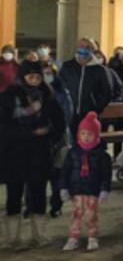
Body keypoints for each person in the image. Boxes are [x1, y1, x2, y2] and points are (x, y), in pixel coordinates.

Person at [1, 60, 66, 241]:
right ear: (23, 76)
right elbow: (4, 126)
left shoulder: (47, 95)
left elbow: (59, 122)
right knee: (14, 193)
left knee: (38, 191)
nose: (35, 80)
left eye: (38, 77)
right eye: (31, 76)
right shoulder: (8, 96)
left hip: (40, 152)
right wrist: (30, 132)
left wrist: (50, 138)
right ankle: (13, 237)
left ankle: (38, 235)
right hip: (14, 152)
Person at [58, 111, 111, 251]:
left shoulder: (102, 156)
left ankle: (92, 237)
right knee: (76, 213)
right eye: (83, 133)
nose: (86, 137)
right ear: (78, 134)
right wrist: (63, 187)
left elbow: (106, 175)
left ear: (96, 135)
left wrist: (104, 189)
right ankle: (73, 237)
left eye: (90, 134)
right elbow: (65, 171)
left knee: (91, 214)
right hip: (76, 189)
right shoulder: (73, 153)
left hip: (93, 189)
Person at [58, 39, 114, 131]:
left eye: (87, 47)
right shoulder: (68, 66)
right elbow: (59, 86)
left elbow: (107, 92)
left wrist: (96, 109)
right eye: (81, 46)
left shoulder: (100, 70)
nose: (83, 49)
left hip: (89, 114)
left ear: (93, 50)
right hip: (69, 113)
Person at [42, 61, 73, 218]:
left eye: (49, 73)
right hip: (40, 140)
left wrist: (54, 134)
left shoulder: (62, 93)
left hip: (59, 139)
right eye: (44, 73)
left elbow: (66, 116)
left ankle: (56, 205)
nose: (46, 77)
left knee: (57, 174)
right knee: (37, 174)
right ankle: (33, 205)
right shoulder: (36, 92)